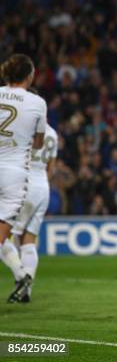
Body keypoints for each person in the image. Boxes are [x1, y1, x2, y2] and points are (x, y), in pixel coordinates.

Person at [0, 54, 47, 303]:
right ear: (29, 76)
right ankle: (22, 277)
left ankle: (20, 275)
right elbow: (38, 144)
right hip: (14, 175)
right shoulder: (37, 103)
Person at [10, 123, 58, 302]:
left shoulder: (25, 127)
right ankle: (26, 291)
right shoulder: (52, 133)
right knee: (28, 240)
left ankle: (21, 276)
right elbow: (52, 167)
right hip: (43, 187)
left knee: (10, 235)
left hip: (25, 184)